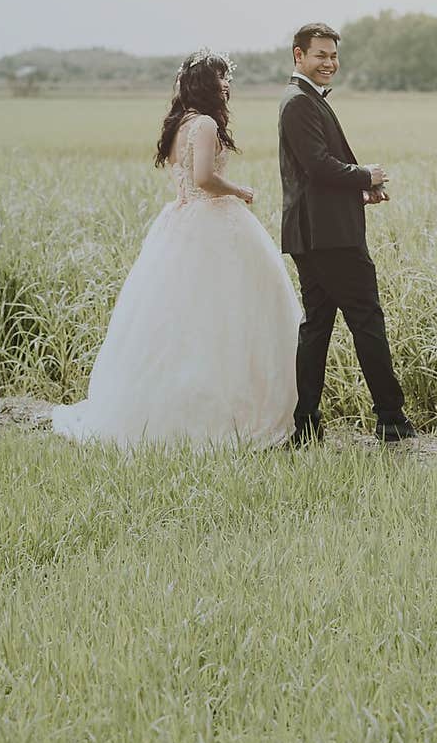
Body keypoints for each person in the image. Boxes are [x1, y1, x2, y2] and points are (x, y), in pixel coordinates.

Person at [52, 48, 302, 447]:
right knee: (223, 319)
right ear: (205, 82)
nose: (227, 84)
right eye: (221, 77)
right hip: (210, 222)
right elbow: (203, 177)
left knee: (181, 322)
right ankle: (224, 418)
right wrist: (240, 190)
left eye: (227, 77)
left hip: (180, 222)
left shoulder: (180, 122)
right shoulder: (202, 123)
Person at [278, 22, 415, 444]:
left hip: (315, 233)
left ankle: (306, 423)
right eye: (320, 55)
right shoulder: (299, 102)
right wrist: (365, 174)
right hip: (331, 238)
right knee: (367, 320)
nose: (329, 63)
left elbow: (314, 177)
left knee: (317, 326)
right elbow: (318, 165)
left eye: (333, 55)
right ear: (298, 56)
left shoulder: (302, 100)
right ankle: (391, 418)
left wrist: (362, 191)